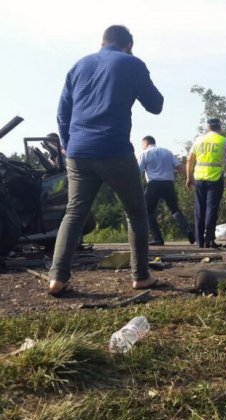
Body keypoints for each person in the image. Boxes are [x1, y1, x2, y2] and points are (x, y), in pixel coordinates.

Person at [48, 25, 164, 296]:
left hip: (78, 152)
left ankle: (57, 278)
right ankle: (141, 276)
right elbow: (156, 105)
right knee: (136, 212)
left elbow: (62, 113)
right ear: (129, 45)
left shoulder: (79, 66)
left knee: (74, 213)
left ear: (102, 42)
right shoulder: (131, 63)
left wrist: (68, 145)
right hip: (114, 149)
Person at [187, 118, 226, 248]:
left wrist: (189, 177)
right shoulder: (223, 140)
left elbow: (189, 160)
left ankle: (200, 241)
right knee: (211, 209)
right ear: (219, 128)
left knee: (200, 209)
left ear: (208, 128)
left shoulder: (198, 140)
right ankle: (209, 240)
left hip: (199, 178)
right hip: (215, 179)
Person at [139, 135, 194, 246]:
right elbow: (179, 167)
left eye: (142, 145)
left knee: (148, 211)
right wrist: (191, 179)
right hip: (168, 183)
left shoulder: (145, 154)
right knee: (174, 209)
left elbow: (138, 171)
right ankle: (189, 232)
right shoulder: (167, 152)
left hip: (153, 184)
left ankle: (158, 238)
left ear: (146, 143)